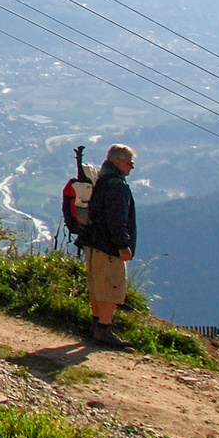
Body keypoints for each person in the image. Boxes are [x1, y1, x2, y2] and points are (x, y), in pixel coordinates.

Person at [80, 143, 138, 348]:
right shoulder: (117, 186)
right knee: (112, 287)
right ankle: (104, 329)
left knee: (97, 285)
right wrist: (123, 244)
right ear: (118, 161)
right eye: (129, 162)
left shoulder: (102, 180)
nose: (131, 167)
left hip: (94, 242)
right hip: (109, 246)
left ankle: (97, 325)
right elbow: (116, 218)